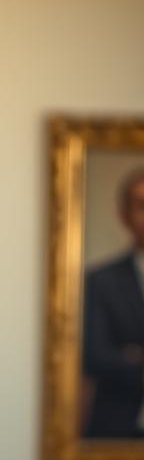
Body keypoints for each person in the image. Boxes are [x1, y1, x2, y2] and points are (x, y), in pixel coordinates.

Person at [81, 165, 144, 439]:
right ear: (125, 216)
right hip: (117, 428)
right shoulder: (100, 280)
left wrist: (133, 354)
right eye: (142, 205)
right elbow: (95, 355)